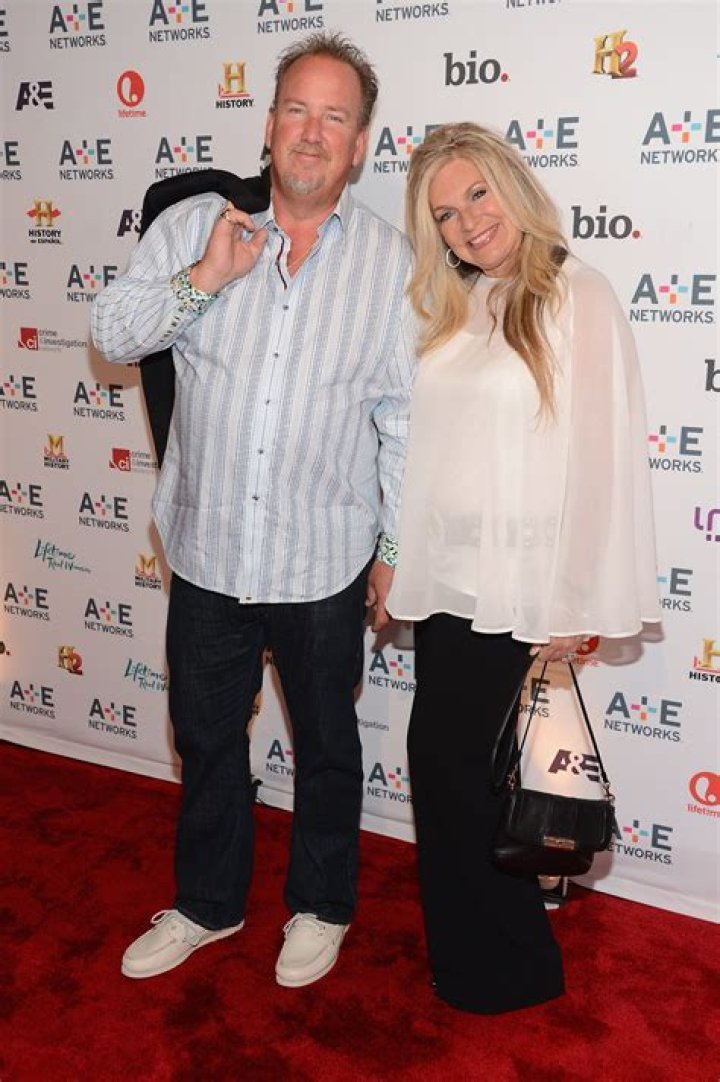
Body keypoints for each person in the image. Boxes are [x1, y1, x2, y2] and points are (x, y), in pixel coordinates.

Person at [91, 32, 416, 988]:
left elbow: (403, 420)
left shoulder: (392, 264)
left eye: (335, 117)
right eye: (297, 111)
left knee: (327, 747)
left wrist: (394, 550)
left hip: (324, 556)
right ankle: (208, 903)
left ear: (359, 144)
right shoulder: (197, 225)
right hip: (208, 550)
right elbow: (111, 333)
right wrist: (205, 278)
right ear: (268, 124)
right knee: (205, 741)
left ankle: (320, 904)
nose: (312, 133)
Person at [387, 122, 661, 1014]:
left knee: (477, 779)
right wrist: (402, 557)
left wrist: (573, 601)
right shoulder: (460, 302)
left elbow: (602, 461)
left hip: (524, 589)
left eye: (477, 194)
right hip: (453, 585)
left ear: (513, 186)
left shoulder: (579, 293)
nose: (467, 221)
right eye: (445, 213)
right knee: (451, 774)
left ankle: (507, 966)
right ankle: (478, 957)